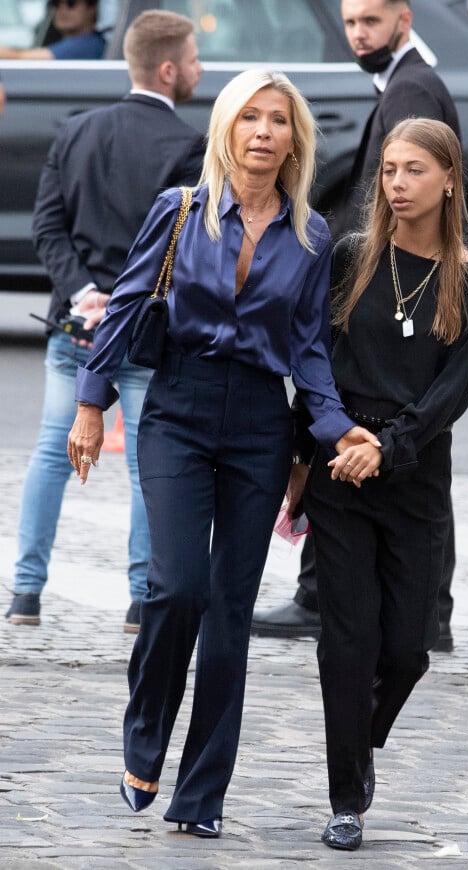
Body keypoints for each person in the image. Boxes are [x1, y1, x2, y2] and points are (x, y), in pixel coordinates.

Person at [66, 68, 379, 838]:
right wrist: (88, 403)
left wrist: (336, 430)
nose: (265, 131)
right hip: (177, 404)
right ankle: (145, 739)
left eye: (279, 121)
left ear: (294, 139)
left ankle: (200, 797)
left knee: (231, 613)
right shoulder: (180, 213)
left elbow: (308, 353)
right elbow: (130, 303)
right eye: (251, 118)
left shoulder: (310, 237)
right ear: (228, 129)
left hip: (259, 425)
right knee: (176, 588)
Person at [252, 0, 468, 648]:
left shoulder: (414, 87)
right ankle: (422, 610)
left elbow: (405, 188)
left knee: (396, 429)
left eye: (369, 21)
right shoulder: (404, 81)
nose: (356, 35)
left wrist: (374, 262)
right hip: (383, 275)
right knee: (399, 441)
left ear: (403, 18)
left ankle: (367, 602)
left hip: (390, 278)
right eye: (349, 23)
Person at [299, 117, 468, 850]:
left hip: (412, 473)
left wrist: (391, 447)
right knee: (346, 642)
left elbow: (457, 388)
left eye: (414, 170)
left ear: (449, 179)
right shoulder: (352, 257)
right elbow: (314, 358)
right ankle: (346, 795)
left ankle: (360, 739)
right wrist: (317, 446)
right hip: (340, 465)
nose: (397, 184)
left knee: (408, 649)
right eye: (388, 170)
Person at [4, 10, 205, 632]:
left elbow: (47, 226)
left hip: (76, 323)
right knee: (149, 467)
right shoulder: (188, 148)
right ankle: (141, 599)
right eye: (195, 60)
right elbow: (176, 246)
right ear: (169, 69)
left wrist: (85, 291)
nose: (200, 70)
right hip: (145, 329)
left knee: (50, 452)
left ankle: (26, 593)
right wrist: (122, 300)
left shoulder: (77, 131)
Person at [0, 0, 106, 61]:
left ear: (92, 8)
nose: (62, 10)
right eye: (55, 4)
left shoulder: (88, 44)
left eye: (71, 3)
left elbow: (23, 59)